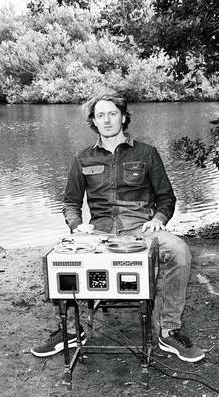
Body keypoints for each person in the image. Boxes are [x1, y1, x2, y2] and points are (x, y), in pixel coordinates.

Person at [31, 91, 204, 362]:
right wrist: (77, 226)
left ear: (123, 118)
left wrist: (158, 220)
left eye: (112, 113)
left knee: (179, 251)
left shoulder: (147, 153)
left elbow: (166, 198)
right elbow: (70, 203)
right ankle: (71, 331)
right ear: (93, 121)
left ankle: (168, 331)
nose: (107, 120)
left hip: (141, 230)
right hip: (98, 232)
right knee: (55, 258)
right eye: (100, 115)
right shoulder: (82, 158)